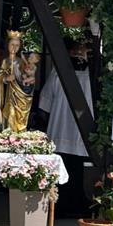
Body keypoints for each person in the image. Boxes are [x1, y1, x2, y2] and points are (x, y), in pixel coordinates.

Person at [37, 40, 94, 216]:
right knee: (76, 168)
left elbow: (45, 101)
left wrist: (45, 119)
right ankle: (77, 205)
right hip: (80, 129)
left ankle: (59, 206)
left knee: (62, 165)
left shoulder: (58, 72)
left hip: (60, 126)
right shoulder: (91, 74)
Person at [0, 31, 39, 133]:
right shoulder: (5, 61)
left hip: (20, 94)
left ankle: (18, 132)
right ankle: (9, 132)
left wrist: (24, 77)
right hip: (10, 94)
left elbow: (26, 75)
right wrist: (6, 78)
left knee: (19, 115)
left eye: (17, 45)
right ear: (7, 45)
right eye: (12, 44)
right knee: (10, 111)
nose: (14, 47)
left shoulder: (21, 61)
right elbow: (0, 76)